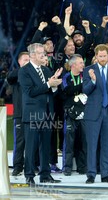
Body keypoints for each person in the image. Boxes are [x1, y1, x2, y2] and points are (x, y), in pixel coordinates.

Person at [19, 43, 63, 186]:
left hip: (48, 113)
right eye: (40, 53)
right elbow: (30, 91)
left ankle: (45, 174)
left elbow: (51, 91)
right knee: (31, 146)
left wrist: (55, 84)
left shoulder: (46, 69)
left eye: (43, 53)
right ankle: (29, 175)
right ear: (32, 55)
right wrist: (49, 84)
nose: (43, 55)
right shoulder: (24, 71)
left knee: (46, 146)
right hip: (32, 113)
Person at [83, 44, 108, 184]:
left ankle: (106, 174)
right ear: (96, 56)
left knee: (107, 145)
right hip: (93, 113)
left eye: (104, 56)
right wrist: (93, 80)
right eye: (100, 56)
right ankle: (91, 174)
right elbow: (86, 90)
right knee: (92, 145)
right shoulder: (88, 70)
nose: (102, 59)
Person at [61, 54, 87, 176]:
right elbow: (67, 90)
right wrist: (82, 86)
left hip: (83, 113)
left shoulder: (84, 76)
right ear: (73, 65)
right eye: (81, 63)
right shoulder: (66, 77)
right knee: (69, 142)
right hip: (70, 113)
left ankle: (82, 167)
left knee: (83, 142)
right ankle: (67, 168)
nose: (83, 65)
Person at [7, 51, 29, 176]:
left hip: (32, 114)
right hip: (20, 114)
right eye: (25, 60)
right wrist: (24, 68)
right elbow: (9, 77)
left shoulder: (33, 75)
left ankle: (30, 166)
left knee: (33, 142)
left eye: (29, 60)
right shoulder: (15, 75)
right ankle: (17, 167)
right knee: (20, 142)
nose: (27, 62)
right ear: (19, 62)